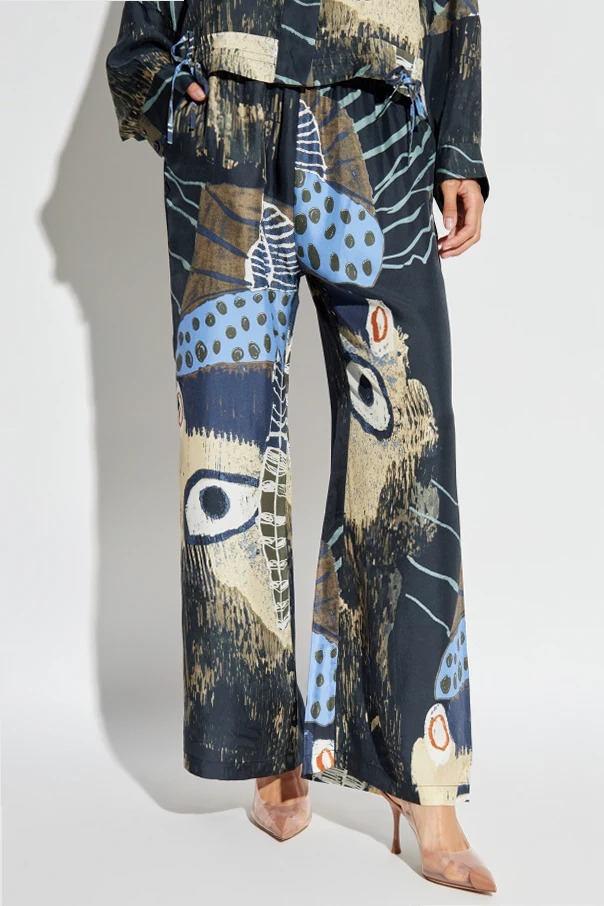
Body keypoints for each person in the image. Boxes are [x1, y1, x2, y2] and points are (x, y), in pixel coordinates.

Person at [106, 0, 496, 893]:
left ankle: (423, 781)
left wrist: (458, 144)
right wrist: (164, 90)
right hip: (229, 111)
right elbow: (141, 42)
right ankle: (268, 748)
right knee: (228, 441)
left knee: (408, 449)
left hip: (376, 110)